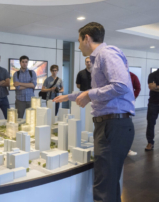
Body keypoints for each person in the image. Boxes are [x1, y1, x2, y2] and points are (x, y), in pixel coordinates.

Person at [53, 22, 135, 202]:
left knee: (104, 187)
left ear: (87, 38)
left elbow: (120, 86)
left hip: (112, 126)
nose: (79, 45)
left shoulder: (106, 54)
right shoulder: (100, 58)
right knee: (109, 183)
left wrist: (89, 94)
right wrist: (69, 97)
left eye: (79, 41)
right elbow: (99, 92)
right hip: (111, 125)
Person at [145, 69, 159, 151]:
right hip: (153, 103)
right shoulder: (153, 75)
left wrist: (157, 87)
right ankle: (150, 142)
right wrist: (154, 87)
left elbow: (155, 87)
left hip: (153, 103)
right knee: (150, 123)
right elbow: (151, 87)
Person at [128, 71, 141, 156]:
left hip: (127, 104)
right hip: (113, 105)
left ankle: (127, 149)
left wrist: (133, 97)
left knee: (127, 127)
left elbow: (138, 88)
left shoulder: (133, 76)